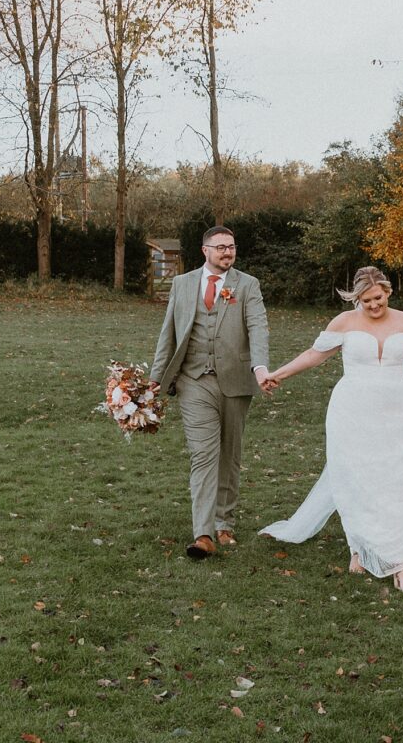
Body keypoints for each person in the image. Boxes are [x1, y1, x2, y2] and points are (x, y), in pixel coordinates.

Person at [260, 266, 403, 594]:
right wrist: (279, 374)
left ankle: (401, 566)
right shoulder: (344, 323)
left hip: (396, 412)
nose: (373, 305)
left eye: (378, 298)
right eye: (366, 300)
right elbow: (315, 356)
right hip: (352, 412)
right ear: (356, 298)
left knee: (401, 484)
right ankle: (358, 548)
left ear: (388, 292)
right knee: (356, 481)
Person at [150, 226, 271, 559]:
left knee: (229, 454)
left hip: (235, 381)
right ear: (205, 250)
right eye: (220, 247)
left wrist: (260, 368)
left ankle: (223, 522)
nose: (227, 253)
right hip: (193, 381)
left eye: (231, 247)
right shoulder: (182, 283)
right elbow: (168, 334)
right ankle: (203, 533)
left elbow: (258, 328)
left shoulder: (248, 285)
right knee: (204, 454)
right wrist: (154, 380)